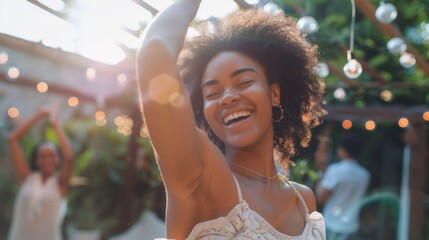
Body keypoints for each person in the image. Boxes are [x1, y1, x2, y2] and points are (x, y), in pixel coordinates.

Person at [136, 0, 326, 239]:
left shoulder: (304, 200)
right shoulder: (202, 178)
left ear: (274, 93)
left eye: (244, 82)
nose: (226, 98)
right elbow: (155, 53)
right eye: (212, 94)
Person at [7, 108, 74, 240]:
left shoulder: (60, 183)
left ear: (58, 159)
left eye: (51, 155)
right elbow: (12, 139)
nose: (47, 160)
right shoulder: (27, 177)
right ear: (36, 160)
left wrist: (55, 124)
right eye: (42, 156)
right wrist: (38, 116)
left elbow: (69, 157)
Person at [316, 133, 370, 240]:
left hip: (332, 225)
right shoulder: (365, 174)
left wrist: (321, 172)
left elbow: (321, 198)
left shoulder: (335, 170)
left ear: (343, 150)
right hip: (352, 226)